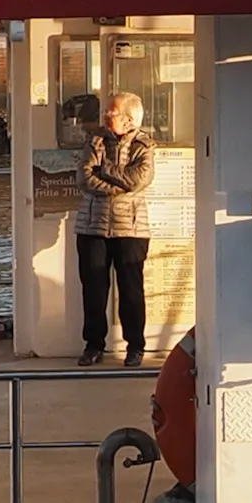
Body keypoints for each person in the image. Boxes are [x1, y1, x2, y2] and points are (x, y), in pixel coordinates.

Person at [73, 90, 155, 367]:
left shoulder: (144, 145)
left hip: (131, 230)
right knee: (93, 289)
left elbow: (138, 180)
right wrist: (115, 186)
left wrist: (104, 169)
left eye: (113, 112)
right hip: (92, 227)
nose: (107, 116)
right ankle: (93, 345)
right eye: (107, 111)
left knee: (131, 290)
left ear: (130, 119)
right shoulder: (94, 139)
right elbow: (84, 178)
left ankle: (135, 346)